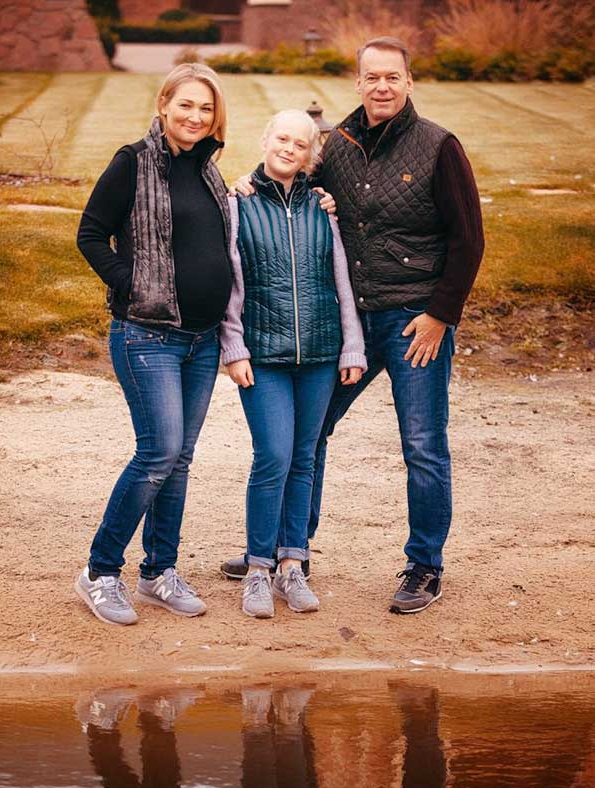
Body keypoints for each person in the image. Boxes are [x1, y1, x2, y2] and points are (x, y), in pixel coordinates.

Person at [222, 36, 485, 614]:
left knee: (422, 444)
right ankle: (289, 551)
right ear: (358, 81)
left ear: (409, 81)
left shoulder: (439, 145)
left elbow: (469, 239)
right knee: (308, 434)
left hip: (416, 322)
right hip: (351, 323)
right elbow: (286, 174)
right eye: (372, 77)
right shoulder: (337, 143)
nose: (382, 86)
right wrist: (244, 185)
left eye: (392, 76)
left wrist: (441, 315)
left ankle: (425, 565)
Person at [74, 63, 233, 625]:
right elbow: (90, 234)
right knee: (158, 453)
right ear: (164, 104)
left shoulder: (209, 171)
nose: (195, 116)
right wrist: (132, 283)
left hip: (202, 341)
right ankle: (99, 572)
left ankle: (158, 572)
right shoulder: (132, 161)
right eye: (185, 104)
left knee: (179, 460)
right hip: (147, 335)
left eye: (206, 108)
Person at [220, 110, 366, 618]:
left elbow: (341, 280)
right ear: (266, 140)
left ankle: (292, 565)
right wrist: (234, 348)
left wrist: (352, 347)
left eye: (300, 144)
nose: (289, 149)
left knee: (304, 458)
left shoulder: (323, 208)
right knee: (273, 457)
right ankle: (258, 571)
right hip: (263, 356)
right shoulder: (238, 203)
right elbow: (230, 283)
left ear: (310, 155)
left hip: (321, 355)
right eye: (282, 138)